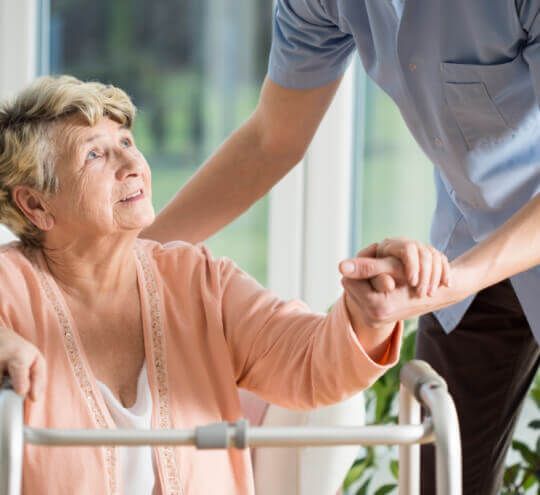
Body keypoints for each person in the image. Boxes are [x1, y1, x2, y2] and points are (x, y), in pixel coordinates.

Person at [139, 2, 540, 493]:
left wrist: (448, 284)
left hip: (486, 257)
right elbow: (272, 138)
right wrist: (126, 257)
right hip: (469, 236)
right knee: (440, 472)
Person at [0, 75, 452, 495]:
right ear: (36, 204)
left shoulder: (196, 279)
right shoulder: (9, 286)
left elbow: (310, 362)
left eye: (126, 141)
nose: (131, 164)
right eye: (95, 153)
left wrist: (369, 312)